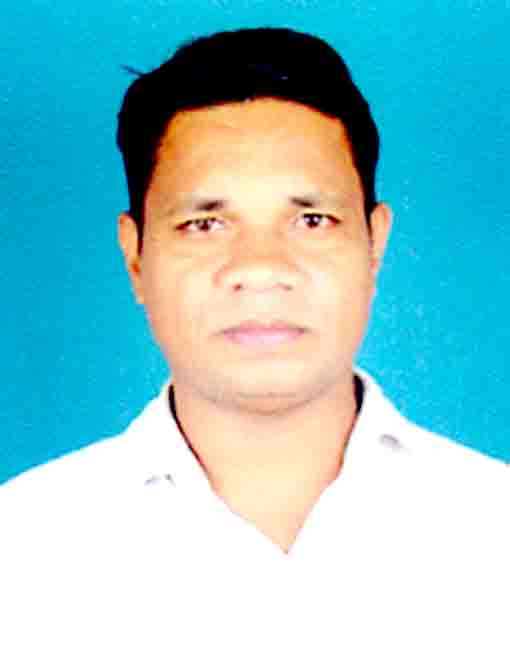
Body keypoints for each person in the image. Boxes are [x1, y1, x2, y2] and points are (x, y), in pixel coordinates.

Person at [1, 27, 508, 667]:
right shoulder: (22, 551)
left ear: (374, 244)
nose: (261, 267)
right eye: (205, 224)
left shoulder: (495, 528)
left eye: (312, 220)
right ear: (135, 257)